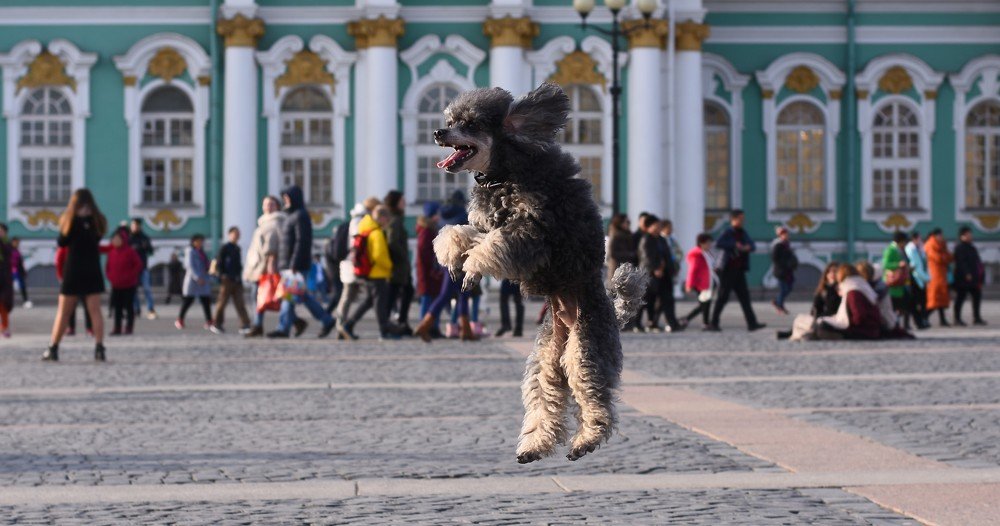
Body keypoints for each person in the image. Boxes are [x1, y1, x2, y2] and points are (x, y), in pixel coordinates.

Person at [44, 189, 108, 362]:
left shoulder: (71, 220)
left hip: (74, 270)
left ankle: (53, 348)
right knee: (95, 312)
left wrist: (75, 218)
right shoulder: (97, 220)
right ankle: (99, 348)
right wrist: (86, 220)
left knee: (64, 312)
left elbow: (61, 241)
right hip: (92, 270)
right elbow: (98, 236)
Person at [267, 185, 336, 339]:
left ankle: (283, 328)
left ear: (293, 199)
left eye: (286, 198)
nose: (284, 201)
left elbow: (301, 241)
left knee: (288, 297)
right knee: (301, 296)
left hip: (295, 266)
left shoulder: (300, 216)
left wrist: (294, 264)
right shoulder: (292, 216)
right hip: (290, 264)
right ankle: (326, 320)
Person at [413, 191, 477, 342]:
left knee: (456, 294)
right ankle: (424, 326)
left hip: (446, 260)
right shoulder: (463, 215)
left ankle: (465, 330)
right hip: (462, 260)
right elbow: (470, 237)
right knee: (453, 295)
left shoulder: (442, 216)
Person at [338, 205, 399, 340]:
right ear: (382, 218)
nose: (387, 222)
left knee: (369, 302)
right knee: (379, 304)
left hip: (369, 273)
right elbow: (379, 255)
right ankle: (384, 330)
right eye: (387, 219)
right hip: (378, 273)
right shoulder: (376, 233)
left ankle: (349, 324)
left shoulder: (366, 229)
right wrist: (389, 266)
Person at [708, 209, 765, 332]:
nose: (742, 221)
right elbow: (719, 243)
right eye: (740, 219)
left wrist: (747, 247)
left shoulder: (743, 233)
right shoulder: (728, 232)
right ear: (733, 220)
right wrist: (735, 245)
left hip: (739, 270)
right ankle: (713, 323)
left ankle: (752, 323)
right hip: (728, 270)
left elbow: (752, 245)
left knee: (745, 297)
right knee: (722, 297)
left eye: (742, 219)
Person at [334, 197, 380, 335]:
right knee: (351, 295)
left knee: (349, 295)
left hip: (351, 263)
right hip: (354, 264)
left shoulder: (354, 220)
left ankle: (342, 325)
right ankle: (342, 325)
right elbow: (356, 245)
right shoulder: (359, 222)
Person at [242, 195, 284, 337]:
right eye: (266, 204)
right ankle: (258, 323)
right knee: (261, 296)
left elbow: (273, 245)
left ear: (277, 206)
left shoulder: (276, 222)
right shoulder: (264, 222)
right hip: (257, 265)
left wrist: (270, 263)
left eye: (271, 204)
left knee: (264, 296)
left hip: (265, 267)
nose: (268, 206)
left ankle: (258, 324)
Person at [384, 190, 415, 335]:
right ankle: (393, 323)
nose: (405, 203)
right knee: (395, 294)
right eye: (402, 201)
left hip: (399, 265)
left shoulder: (395, 218)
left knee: (404, 291)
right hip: (398, 265)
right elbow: (393, 241)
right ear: (396, 203)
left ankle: (400, 322)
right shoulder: (395, 220)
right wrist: (403, 256)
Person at [103, 227, 143, 336]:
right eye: (114, 239)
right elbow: (107, 267)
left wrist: (130, 276)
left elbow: (138, 265)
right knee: (117, 308)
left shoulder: (130, 251)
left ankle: (129, 327)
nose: (115, 241)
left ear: (123, 240)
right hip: (116, 285)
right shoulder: (111, 253)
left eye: (117, 239)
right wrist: (110, 277)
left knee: (129, 307)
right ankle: (117, 327)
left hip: (129, 285)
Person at [212, 227, 252, 334]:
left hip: (237, 280)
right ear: (229, 235)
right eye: (234, 234)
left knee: (240, 303)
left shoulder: (237, 248)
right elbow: (219, 262)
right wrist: (222, 275)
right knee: (222, 303)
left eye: (238, 234)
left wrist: (240, 276)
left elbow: (238, 265)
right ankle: (217, 323)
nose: (236, 236)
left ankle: (245, 324)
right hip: (227, 280)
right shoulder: (225, 247)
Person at [414, 201, 444, 339]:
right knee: (427, 300)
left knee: (432, 298)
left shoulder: (430, 229)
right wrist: (433, 269)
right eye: (437, 213)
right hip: (428, 273)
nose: (439, 216)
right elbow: (425, 254)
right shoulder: (427, 231)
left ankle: (433, 327)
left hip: (430, 272)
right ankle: (426, 327)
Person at [176, 234, 213, 330]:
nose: (200, 243)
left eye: (201, 241)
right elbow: (190, 266)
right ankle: (180, 319)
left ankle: (209, 321)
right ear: (194, 242)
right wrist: (197, 278)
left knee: (205, 300)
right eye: (198, 241)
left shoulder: (201, 252)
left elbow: (206, 264)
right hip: (193, 281)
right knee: (188, 301)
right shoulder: (190, 251)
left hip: (203, 280)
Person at [637, 214, 666, 332]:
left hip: (656, 274)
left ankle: (651, 322)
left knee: (653, 300)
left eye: (659, 226)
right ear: (649, 226)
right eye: (656, 226)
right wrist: (655, 269)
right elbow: (646, 257)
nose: (659, 228)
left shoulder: (658, 239)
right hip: (648, 274)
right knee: (643, 300)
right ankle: (637, 324)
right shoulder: (646, 239)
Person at [953, 226, 986, 326]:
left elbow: (977, 262)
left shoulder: (971, 247)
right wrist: (967, 273)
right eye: (968, 234)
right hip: (963, 278)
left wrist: (980, 274)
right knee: (960, 298)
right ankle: (957, 319)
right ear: (962, 236)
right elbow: (961, 263)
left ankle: (977, 317)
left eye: (970, 234)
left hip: (974, 278)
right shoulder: (959, 248)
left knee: (977, 296)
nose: (970, 236)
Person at [683, 233, 715, 329]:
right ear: (702, 243)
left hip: (708, 282)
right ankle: (687, 319)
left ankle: (705, 323)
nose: (710, 245)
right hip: (700, 283)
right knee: (704, 304)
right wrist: (689, 284)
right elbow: (692, 270)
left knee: (706, 303)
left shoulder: (706, 253)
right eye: (708, 243)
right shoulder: (696, 254)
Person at [881, 231, 911, 327]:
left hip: (901, 282)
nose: (905, 244)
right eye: (904, 241)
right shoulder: (890, 250)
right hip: (892, 283)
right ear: (900, 241)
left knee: (903, 305)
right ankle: (894, 324)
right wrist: (898, 265)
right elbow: (885, 264)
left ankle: (901, 324)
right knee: (894, 306)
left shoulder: (900, 249)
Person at [924, 228, 952, 327]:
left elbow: (949, 257)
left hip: (941, 274)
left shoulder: (942, 245)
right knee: (935, 298)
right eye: (939, 235)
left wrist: (945, 255)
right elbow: (938, 258)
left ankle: (942, 320)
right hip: (934, 275)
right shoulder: (930, 245)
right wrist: (945, 256)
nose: (941, 237)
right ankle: (924, 317)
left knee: (941, 299)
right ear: (935, 236)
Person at [658, 219, 683, 331]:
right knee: (663, 299)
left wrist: (676, 263)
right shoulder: (660, 240)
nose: (671, 229)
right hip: (661, 272)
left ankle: (671, 321)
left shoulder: (672, 240)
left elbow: (679, 252)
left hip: (670, 270)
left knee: (667, 299)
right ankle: (666, 322)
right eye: (669, 227)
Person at [129, 218, 156, 319]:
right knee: (133, 290)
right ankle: (136, 309)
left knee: (147, 289)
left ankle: (150, 309)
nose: (135, 227)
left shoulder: (144, 237)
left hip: (143, 267)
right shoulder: (128, 238)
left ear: (140, 226)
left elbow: (151, 251)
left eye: (137, 225)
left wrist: (145, 247)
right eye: (133, 225)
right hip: (131, 269)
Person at [904, 231, 930, 330]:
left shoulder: (919, 249)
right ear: (914, 238)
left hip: (920, 278)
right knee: (912, 302)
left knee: (919, 302)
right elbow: (916, 265)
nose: (920, 240)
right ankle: (916, 322)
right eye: (919, 238)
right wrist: (925, 277)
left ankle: (921, 321)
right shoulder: (911, 249)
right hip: (914, 278)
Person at [769, 226, 797, 315]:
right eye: (784, 234)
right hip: (781, 271)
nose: (786, 236)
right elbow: (774, 258)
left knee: (789, 288)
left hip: (788, 271)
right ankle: (779, 305)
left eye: (787, 234)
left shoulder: (787, 244)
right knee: (784, 289)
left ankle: (777, 302)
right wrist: (783, 264)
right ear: (780, 235)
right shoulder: (778, 245)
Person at [605, 213, 635, 288]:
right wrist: (630, 254)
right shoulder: (615, 235)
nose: (628, 224)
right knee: (616, 293)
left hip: (626, 268)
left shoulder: (627, 234)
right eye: (626, 222)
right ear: (620, 223)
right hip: (617, 269)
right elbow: (613, 253)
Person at [9, 237, 31, 309]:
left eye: (18, 242)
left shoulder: (17, 251)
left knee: (22, 286)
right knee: (8, 287)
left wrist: (23, 272)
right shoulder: (9, 250)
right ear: (12, 242)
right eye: (15, 242)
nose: (17, 244)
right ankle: (8, 301)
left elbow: (20, 263)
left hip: (18, 271)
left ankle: (25, 300)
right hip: (10, 271)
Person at [0, 224, 13, 338]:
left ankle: (4, 327)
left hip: (4, 278)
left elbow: (9, 254)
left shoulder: (7, 244)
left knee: (3, 303)